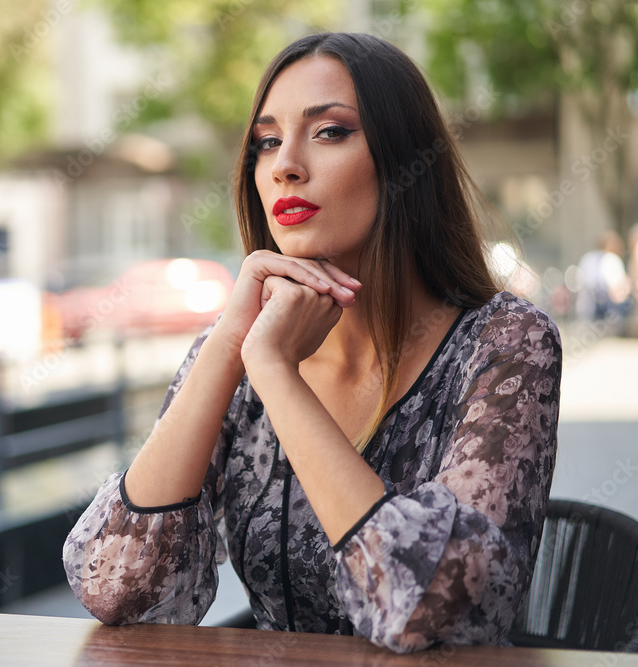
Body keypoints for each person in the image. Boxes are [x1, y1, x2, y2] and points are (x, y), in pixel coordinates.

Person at [63, 32, 561, 653]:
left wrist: (277, 373)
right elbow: (114, 587)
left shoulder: (506, 342)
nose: (284, 165)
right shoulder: (236, 354)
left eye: (329, 131)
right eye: (267, 141)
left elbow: (425, 609)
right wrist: (228, 348)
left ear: (407, 161)